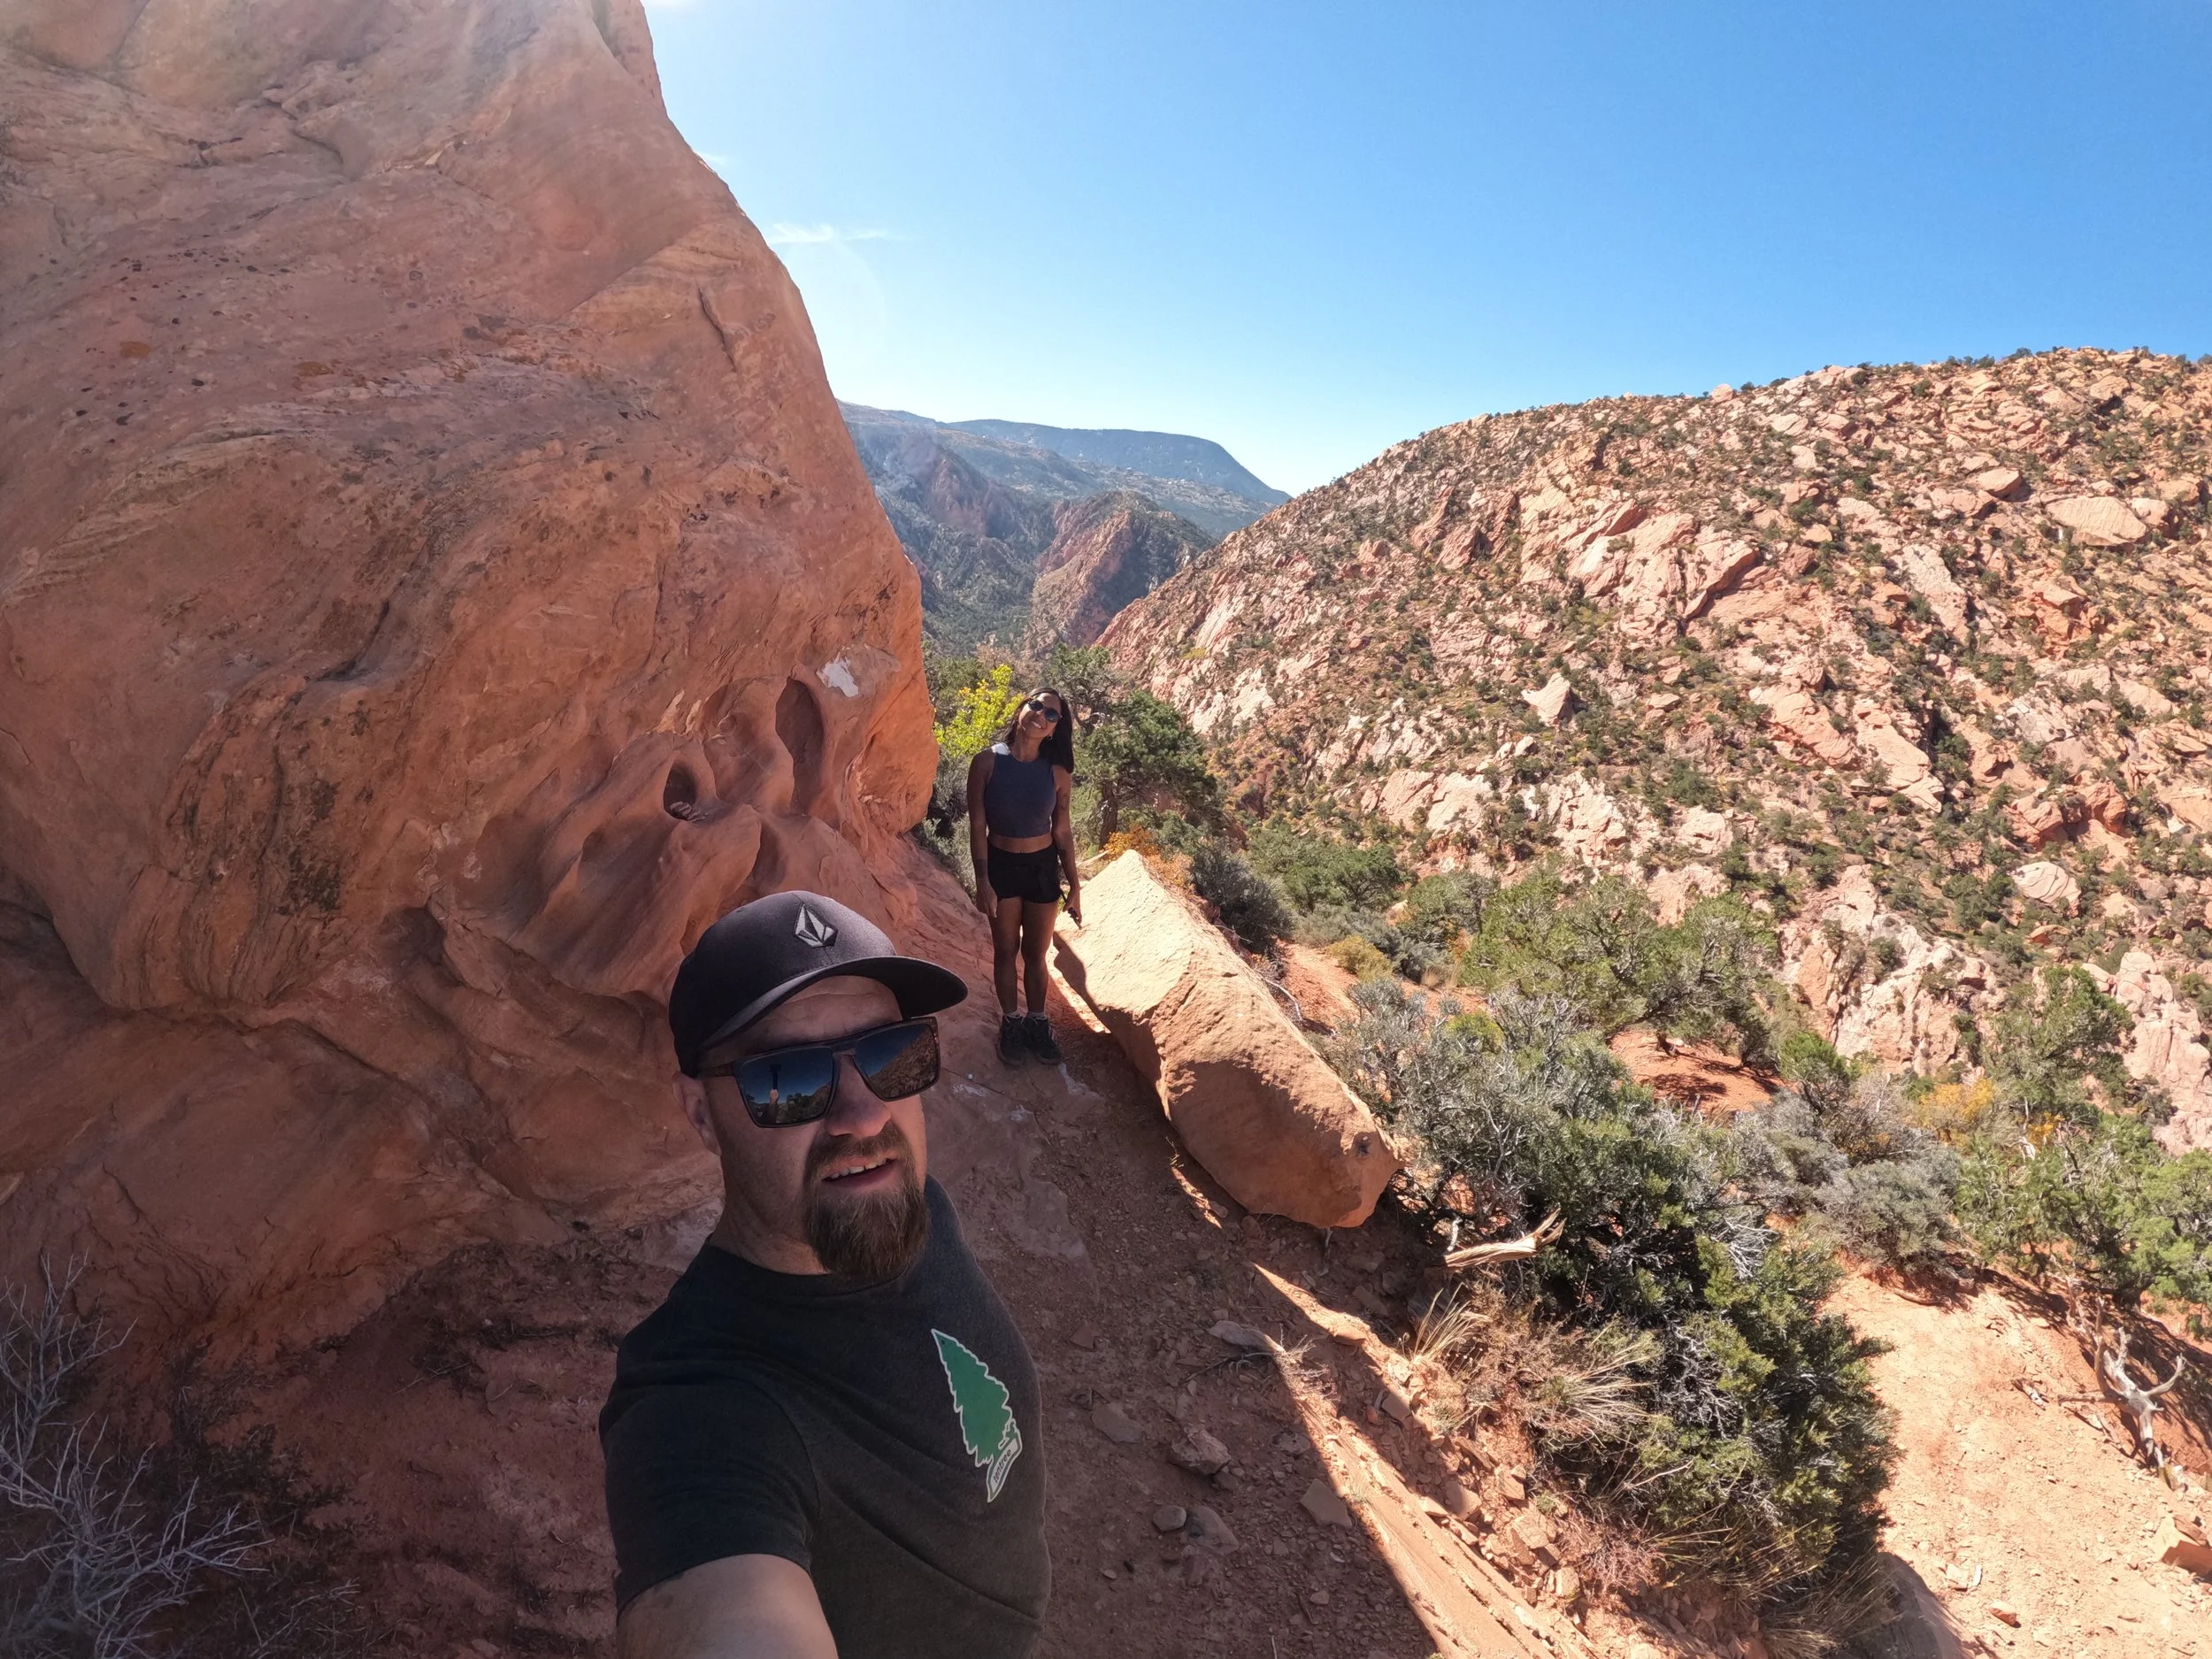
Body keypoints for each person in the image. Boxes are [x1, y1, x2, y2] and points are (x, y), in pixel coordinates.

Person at [600, 890, 1049, 1659]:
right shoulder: (700, 1410)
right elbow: (724, 1600)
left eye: (892, 1055)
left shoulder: (905, 1204)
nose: (863, 1116)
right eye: (787, 1080)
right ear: (700, 1113)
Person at [966, 687, 1082, 1066]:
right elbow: (977, 826)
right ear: (1021, 708)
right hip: (1001, 867)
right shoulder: (986, 762)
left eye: (1052, 715)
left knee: (1035, 954)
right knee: (1005, 951)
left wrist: (1075, 886)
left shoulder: (1058, 773)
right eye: (1036, 705)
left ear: (1055, 729)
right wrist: (983, 882)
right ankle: (1012, 1023)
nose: (1041, 715)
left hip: (1042, 870)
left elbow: (1062, 831)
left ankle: (1037, 1022)